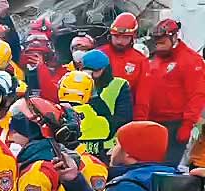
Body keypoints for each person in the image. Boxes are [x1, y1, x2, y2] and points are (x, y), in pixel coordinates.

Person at [134, 19, 205, 166]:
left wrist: (187, 124)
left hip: (175, 125)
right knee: (146, 166)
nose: (159, 44)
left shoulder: (190, 60)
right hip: (152, 123)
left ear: (174, 37)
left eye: (162, 40)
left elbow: (197, 94)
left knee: (167, 168)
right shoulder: (153, 60)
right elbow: (144, 92)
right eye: (157, 41)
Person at [81, 49, 132, 151]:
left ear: (105, 70)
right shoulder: (75, 84)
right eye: (86, 71)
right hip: (81, 147)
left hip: (108, 146)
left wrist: (94, 96)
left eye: (95, 71)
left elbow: (124, 118)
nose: (91, 76)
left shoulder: (119, 85)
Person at [57, 70, 112, 161]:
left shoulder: (54, 116)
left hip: (66, 168)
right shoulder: (101, 123)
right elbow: (109, 120)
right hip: (95, 167)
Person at [96, 12, 145, 108]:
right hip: (98, 111)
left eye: (125, 37)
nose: (119, 41)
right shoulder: (98, 54)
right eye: (116, 36)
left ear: (133, 36)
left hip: (125, 112)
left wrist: (140, 120)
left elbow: (142, 97)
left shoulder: (140, 60)